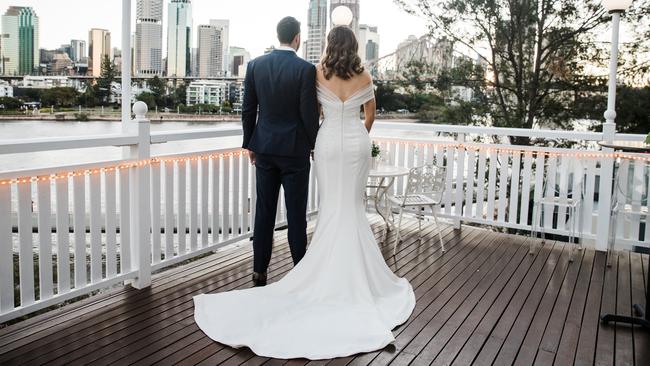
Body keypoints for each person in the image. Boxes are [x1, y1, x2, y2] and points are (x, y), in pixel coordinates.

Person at [193, 23, 415, 360]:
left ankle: (263, 269)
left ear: (327, 44)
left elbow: (294, 111)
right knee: (346, 207)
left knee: (295, 210)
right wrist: (355, 133)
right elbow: (369, 116)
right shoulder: (364, 77)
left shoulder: (314, 73)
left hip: (304, 146)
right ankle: (308, 266)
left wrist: (258, 142)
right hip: (351, 146)